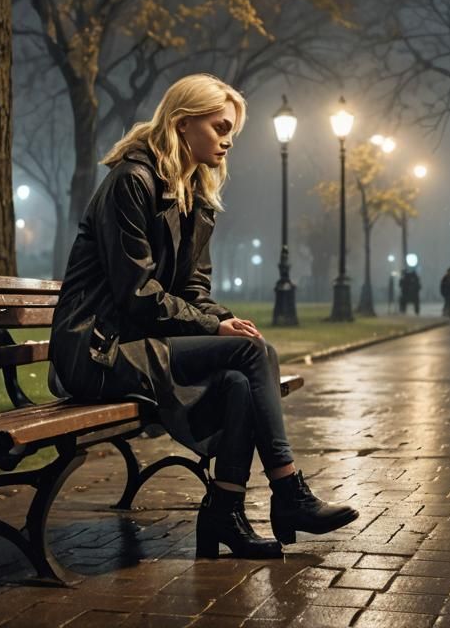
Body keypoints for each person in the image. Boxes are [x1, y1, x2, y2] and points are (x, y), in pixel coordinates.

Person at [49, 74, 358, 560]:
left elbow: (194, 291)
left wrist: (225, 321)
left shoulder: (193, 195)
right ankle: (288, 491)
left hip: (137, 345)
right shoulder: (132, 181)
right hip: (96, 351)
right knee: (251, 353)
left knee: (238, 376)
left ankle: (225, 511)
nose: (228, 140)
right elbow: (137, 293)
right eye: (220, 127)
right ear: (182, 123)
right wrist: (215, 328)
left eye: (231, 130)